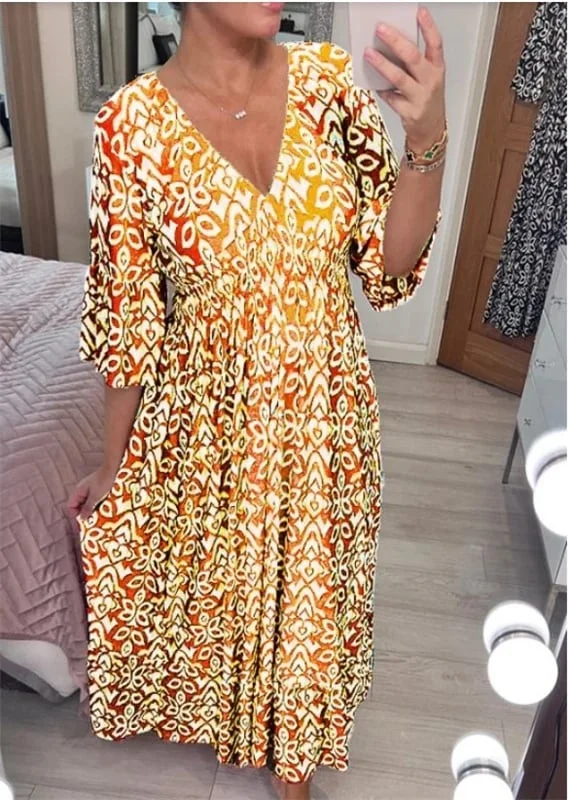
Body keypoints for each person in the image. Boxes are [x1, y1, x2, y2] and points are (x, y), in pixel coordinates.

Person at [68, 3, 446, 798]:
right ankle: (247, 729)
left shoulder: (329, 84)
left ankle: (294, 761)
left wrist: (426, 139)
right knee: (231, 590)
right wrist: (111, 467)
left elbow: (387, 266)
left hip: (325, 417)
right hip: (211, 427)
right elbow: (126, 325)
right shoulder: (128, 127)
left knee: (309, 595)